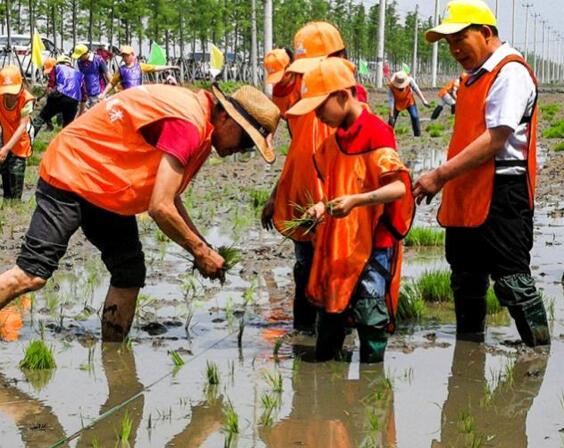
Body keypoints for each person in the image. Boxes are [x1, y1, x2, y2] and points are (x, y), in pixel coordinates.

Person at [0, 83, 280, 342]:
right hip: (72, 170)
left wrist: (202, 245)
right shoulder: (189, 125)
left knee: (129, 273)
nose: (241, 151)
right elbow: (160, 207)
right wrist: (200, 252)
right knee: (31, 274)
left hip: (107, 182)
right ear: (227, 118)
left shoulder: (202, 123)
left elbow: (169, 196)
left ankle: (114, 358)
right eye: (245, 141)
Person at [413, 0, 550, 347]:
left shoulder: (510, 72)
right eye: (449, 43)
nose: (455, 49)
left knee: (512, 281)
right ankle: (468, 354)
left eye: (461, 39)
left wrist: (439, 175)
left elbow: (495, 139)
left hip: (503, 190)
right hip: (466, 187)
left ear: (486, 33)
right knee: (465, 277)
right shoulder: (473, 77)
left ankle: (537, 351)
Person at [286, 58, 414, 363]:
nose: (317, 115)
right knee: (332, 311)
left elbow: (398, 188)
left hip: (372, 243)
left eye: (320, 108)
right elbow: (335, 186)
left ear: (343, 96)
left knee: (370, 315)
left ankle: (371, 384)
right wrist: (321, 205)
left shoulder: (376, 132)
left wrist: (357, 201)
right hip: (340, 242)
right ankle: (330, 382)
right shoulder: (334, 141)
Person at [0, 65, 34, 201]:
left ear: (20, 87)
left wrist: (7, 148)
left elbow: (22, 127)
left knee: (16, 171)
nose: (9, 95)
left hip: (20, 140)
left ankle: (16, 202)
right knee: (4, 169)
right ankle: (7, 198)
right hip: (4, 137)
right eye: (6, 92)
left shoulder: (26, 100)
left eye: (13, 92)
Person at [31, 55, 86, 139]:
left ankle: (27, 142)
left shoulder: (57, 67)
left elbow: (51, 85)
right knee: (68, 126)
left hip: (59, 97)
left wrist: (45, 97)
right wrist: (81, 112)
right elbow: (84, 97)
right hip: (73, 101)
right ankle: (65, 146)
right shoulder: (79, 75)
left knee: (41, 118)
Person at [100, 45, 180, 98]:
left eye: (127, 55)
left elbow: (155, 68)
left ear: (132, 55)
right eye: (123, 56)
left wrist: (170, 67)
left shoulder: (140, 66)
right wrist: (103, 94)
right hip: (126, 98)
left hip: (138, 96)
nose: (125, 57)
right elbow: (112, 83)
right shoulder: (121, 69)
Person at [387, 70, 430, 136]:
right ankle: (387, 135)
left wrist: (423, 100)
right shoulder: (391, 88)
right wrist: (391, 115)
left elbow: (417, 90)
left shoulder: (410, 81)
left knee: (415, 116)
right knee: (391, 121)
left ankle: (417, 135)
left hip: (409, 101)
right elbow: (391, 102)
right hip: (397, 103)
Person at [72, 43, 111, 111]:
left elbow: (108, 76)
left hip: (98, 94)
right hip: (85, 95)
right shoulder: (79, 62)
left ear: (85, 54)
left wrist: (106, 92)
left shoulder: (98, 60)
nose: (79, 58)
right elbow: (77, 79)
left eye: (80, 56)